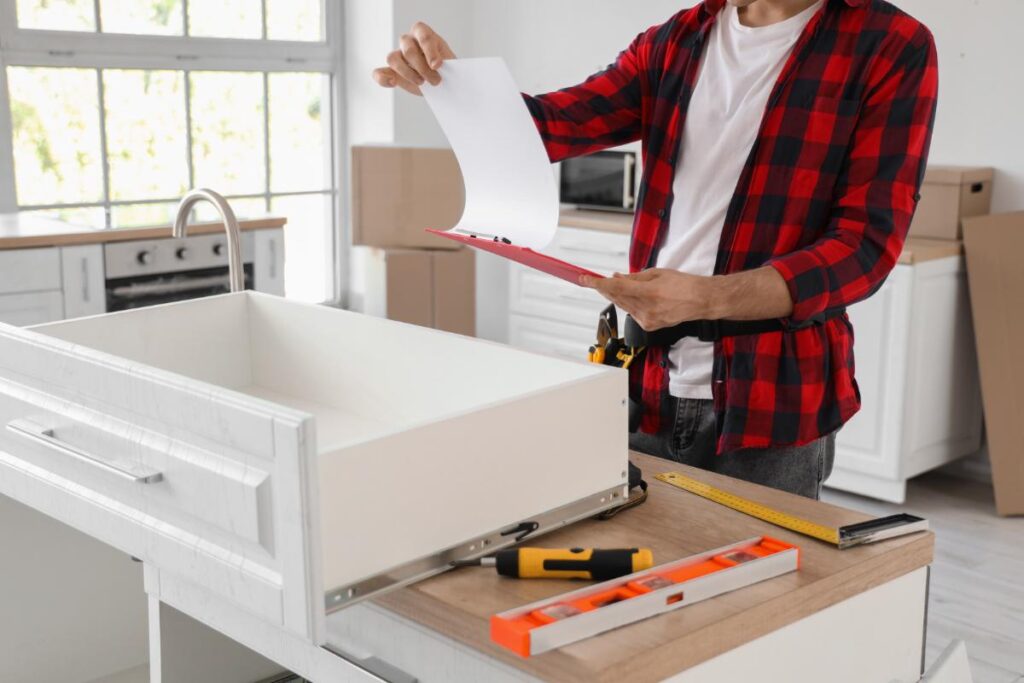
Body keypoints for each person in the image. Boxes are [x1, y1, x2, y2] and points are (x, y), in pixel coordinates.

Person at [373, 0, 938, 500]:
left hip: (774, 405)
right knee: (643, 596)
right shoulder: (673, 41)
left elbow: (864, 249)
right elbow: (552, 126)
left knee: (757, 604)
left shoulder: (891, 46)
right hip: (646, 382)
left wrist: (707, 299)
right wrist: (454, 86)